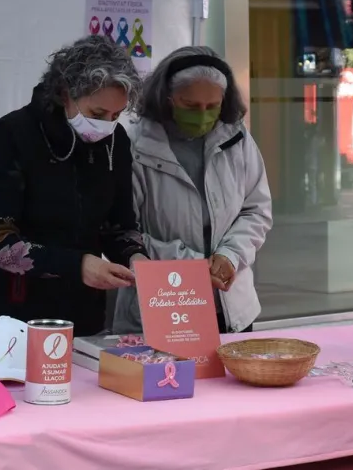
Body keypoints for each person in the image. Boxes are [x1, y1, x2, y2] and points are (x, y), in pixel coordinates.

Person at [0, 36, 147, 337]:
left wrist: (134, 255)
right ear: (66, 93)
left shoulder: (116, 142)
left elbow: (119, 224)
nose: (106, 126)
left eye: (116, 116)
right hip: (10, 314)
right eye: (98, 114)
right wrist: (77, 264)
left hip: (81, 314)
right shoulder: (11, 136)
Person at [113, 46, 271, 335]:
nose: (202, 115)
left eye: (212, 107)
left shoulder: (236, 138)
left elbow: (256, 210)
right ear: (167, 99)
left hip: (232, 306)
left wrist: (230, 255)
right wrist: (193, 265)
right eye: (190, 105)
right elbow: (122, 232)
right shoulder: (135, 145)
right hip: (163, 303)